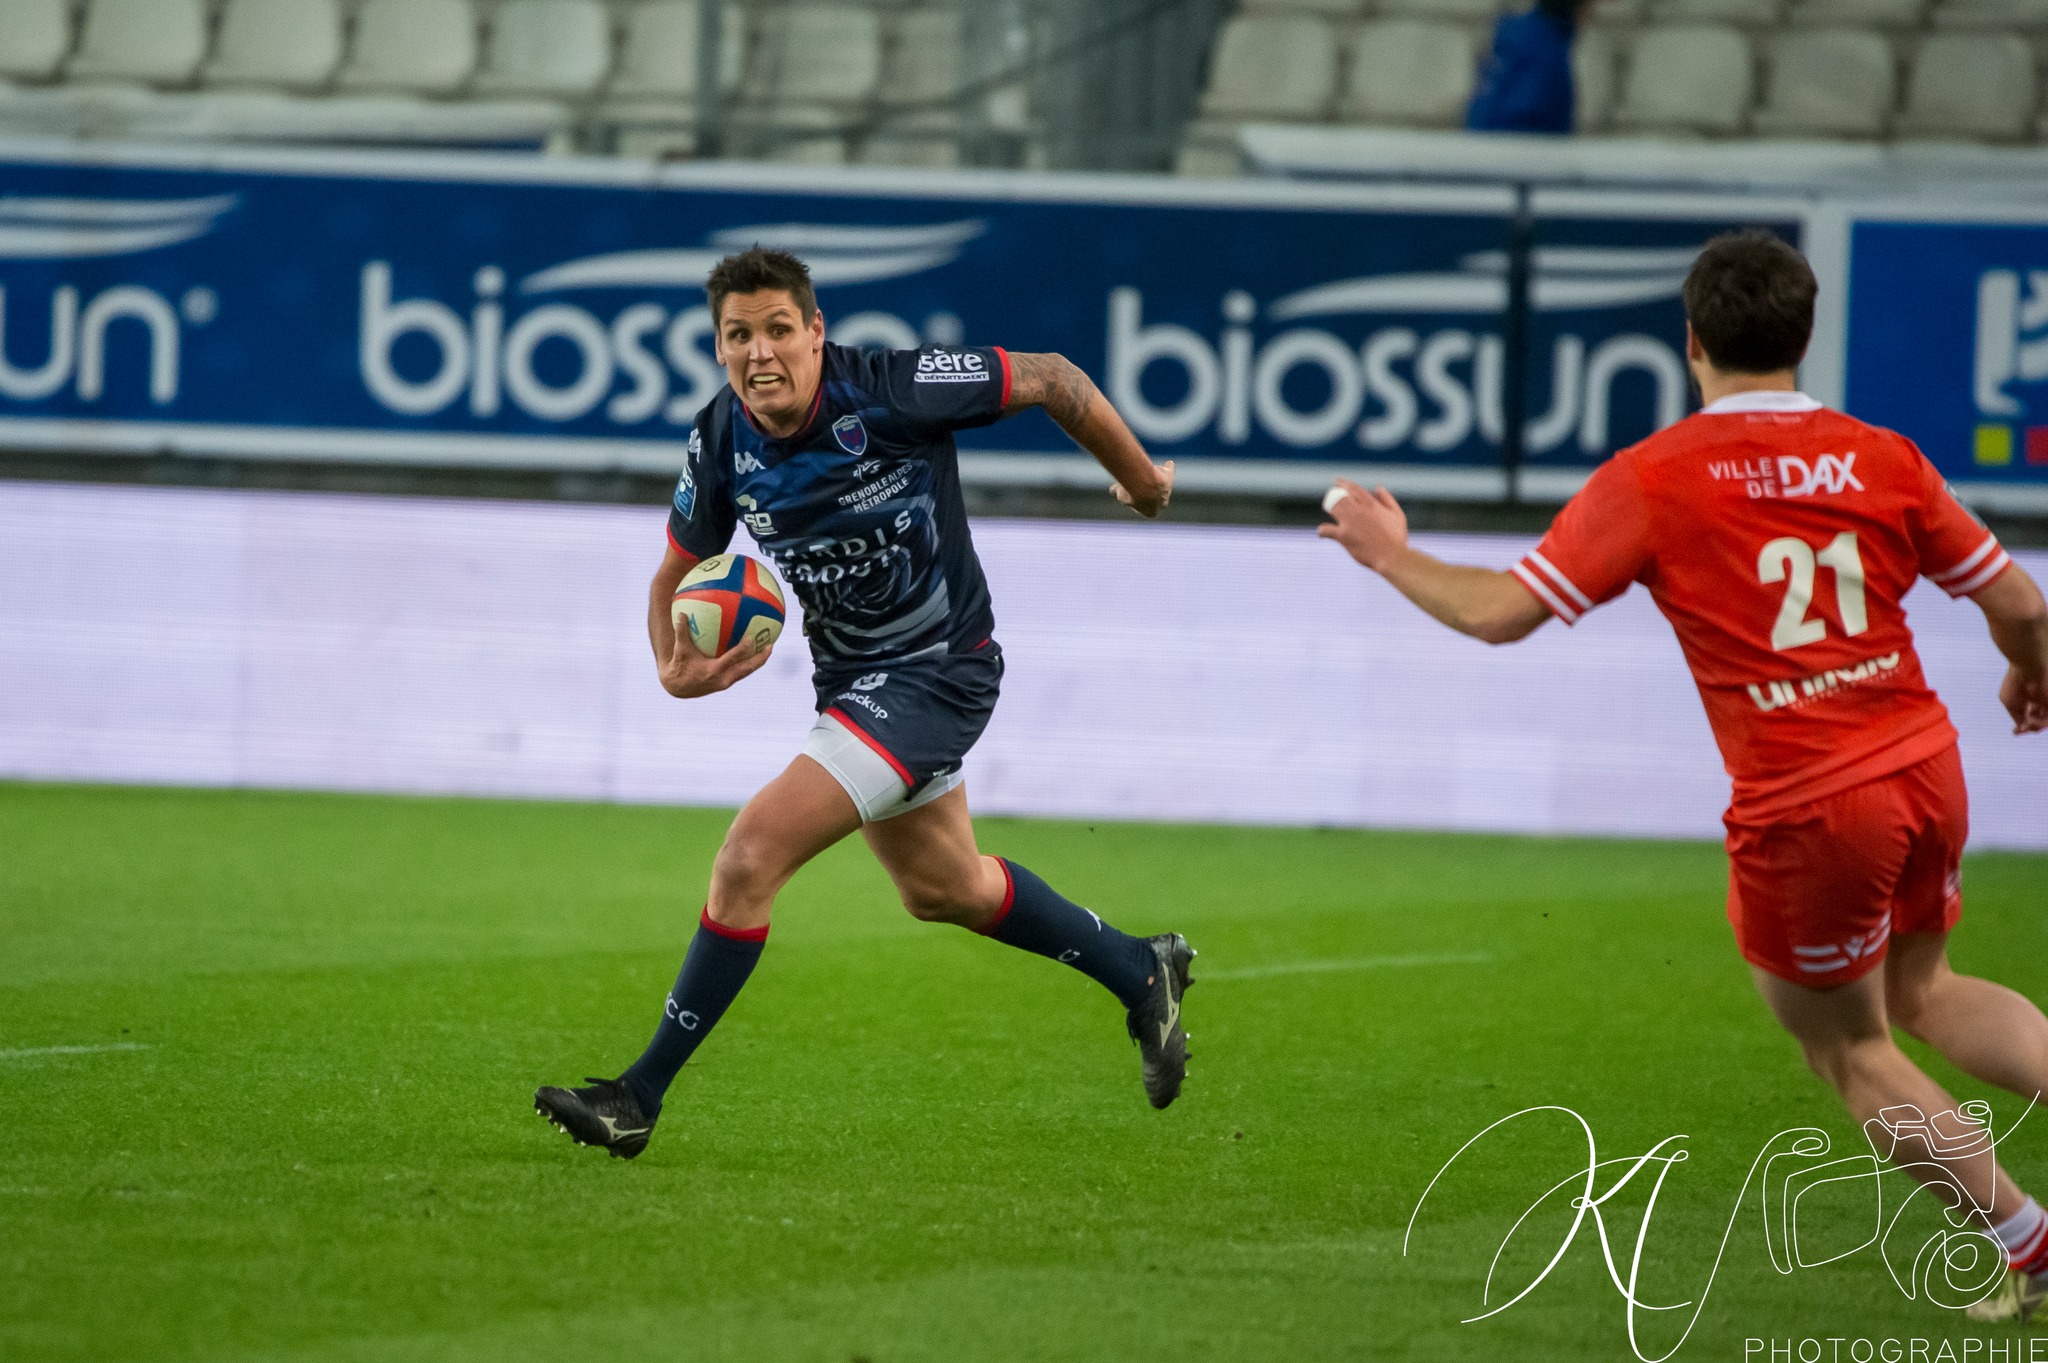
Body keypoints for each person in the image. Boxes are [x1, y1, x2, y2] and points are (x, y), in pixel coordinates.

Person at [1318, 230, 2048, 1321]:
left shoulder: (1656, 477)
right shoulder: (1880, 455)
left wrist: (1388, 552)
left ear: (1692, 340)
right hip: (1921, 761)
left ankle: (2028, 1243)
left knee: (1850, 1047)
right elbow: (2021, 604)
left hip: (1811, 800)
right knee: (1923, 987)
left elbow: (1499, 612)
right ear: (1803, 337)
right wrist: (2028, 670)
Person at [534, 247, 1194, 1160]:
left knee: (748, 857)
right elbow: (673, 573)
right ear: (718, 347)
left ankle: (637, 1095)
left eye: (778, 329)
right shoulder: (720, 437)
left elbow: (1051, 377)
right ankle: (1140, 969)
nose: (760, 352)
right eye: (738, 335)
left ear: (816, 332)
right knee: (944, 888)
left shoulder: (894, 389)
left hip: (942, 669)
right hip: (852, 684)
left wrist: (1145, 482)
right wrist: (670, 665)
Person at [1465, 0, 1590, 136]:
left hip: (1479, 136)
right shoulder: (1547, 50)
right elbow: (1526, 111)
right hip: (1518, 142)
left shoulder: (1511, 30)